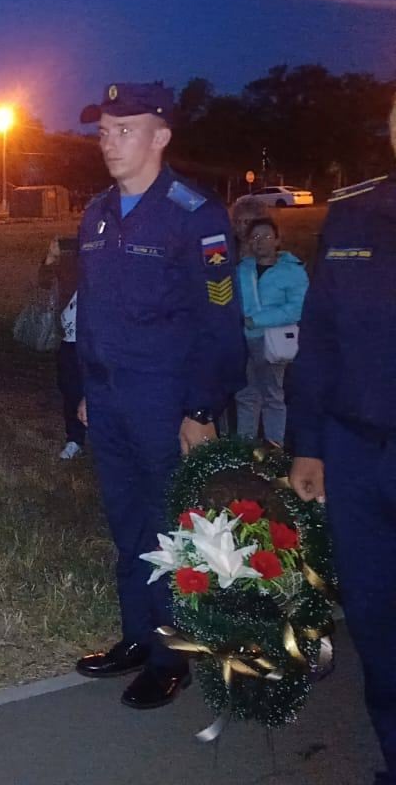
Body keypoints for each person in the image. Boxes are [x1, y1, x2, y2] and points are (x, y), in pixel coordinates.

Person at [72, 82, 246, 709]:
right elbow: (90, 310)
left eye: (125, 130)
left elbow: (220, 322)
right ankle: (138, 637)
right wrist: (88, 386)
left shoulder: (194, 215)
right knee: (127, 522)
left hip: (166, 400)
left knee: (172, 527)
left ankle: (173, 657)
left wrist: (201, 408)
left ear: (161, 137)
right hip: (109, 395)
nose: (109, 142)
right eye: (103, 131)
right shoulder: (96, 213)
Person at [288, 93, 396, 785]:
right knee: (376, 623)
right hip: (358, 458)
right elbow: (320, 339)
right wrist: (308, 442)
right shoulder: (354, 215)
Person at [234, 217, 307, 445]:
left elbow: (297, 308)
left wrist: (256, 320)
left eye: (266, 236)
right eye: (255, 237)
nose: (260, 241)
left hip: (272, 341)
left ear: (277, 240)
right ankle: (244, 450)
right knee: (246, 395)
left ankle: (275, 449)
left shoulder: (292, 271)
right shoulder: (241, 270)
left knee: (272, 396)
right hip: (244, 341)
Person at [38, 235, 85, 460]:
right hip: (69, 339)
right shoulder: (71, 260)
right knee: (70, 390)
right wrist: (50, 257)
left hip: (98, 339)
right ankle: (75, 439)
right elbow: (44, 283)